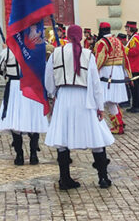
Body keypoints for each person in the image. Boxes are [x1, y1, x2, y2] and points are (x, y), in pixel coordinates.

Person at [44, 24, 114, 190]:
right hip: (85, 98)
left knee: (63, 138)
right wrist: (99, 106)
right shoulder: (88, 54)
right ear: (81, 36)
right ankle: (103, 177)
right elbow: (95, 83)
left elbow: (48, 78)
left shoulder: (56, 53)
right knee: (96, 137)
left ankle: (65, 179)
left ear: (67, 36)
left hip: (64, 98)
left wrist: (52, 94)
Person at [0, 43, 48, 165]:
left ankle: (19, 155)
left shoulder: (7, 51)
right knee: (32, 117)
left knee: (15, 118)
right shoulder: (33, 50)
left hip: (14, 86)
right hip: (31, 85)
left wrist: (6, 74)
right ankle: (33, 154)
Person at [93, 22, 129, 135]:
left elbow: (100, 58)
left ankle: (117, 125)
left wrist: (94, 71)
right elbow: (124, 57)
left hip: (107, 72)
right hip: (118, 71)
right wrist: (127, 73)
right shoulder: (117, 41)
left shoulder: (102, 43)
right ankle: (119, 123)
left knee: (107, 100)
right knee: (113, 100)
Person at [124, 23, 139, 113]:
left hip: (137, 67)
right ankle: (135, 105)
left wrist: (125, 49)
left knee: (137, 88)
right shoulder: (133, 38)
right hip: (133, 67)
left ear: (130, 28)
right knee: (134, 88)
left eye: (127, 28)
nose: (126, 30)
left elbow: (134, 51)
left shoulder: (136, 38)